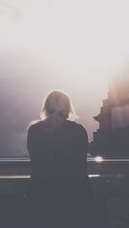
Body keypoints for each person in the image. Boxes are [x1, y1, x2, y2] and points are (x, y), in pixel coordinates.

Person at [27, 90, 93, 228]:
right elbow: (81, 165)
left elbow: (36, 162)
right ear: (68, 108)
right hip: (73, 194)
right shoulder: (77, 130)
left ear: (46, 107)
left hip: (42, 193)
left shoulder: (34, 130)